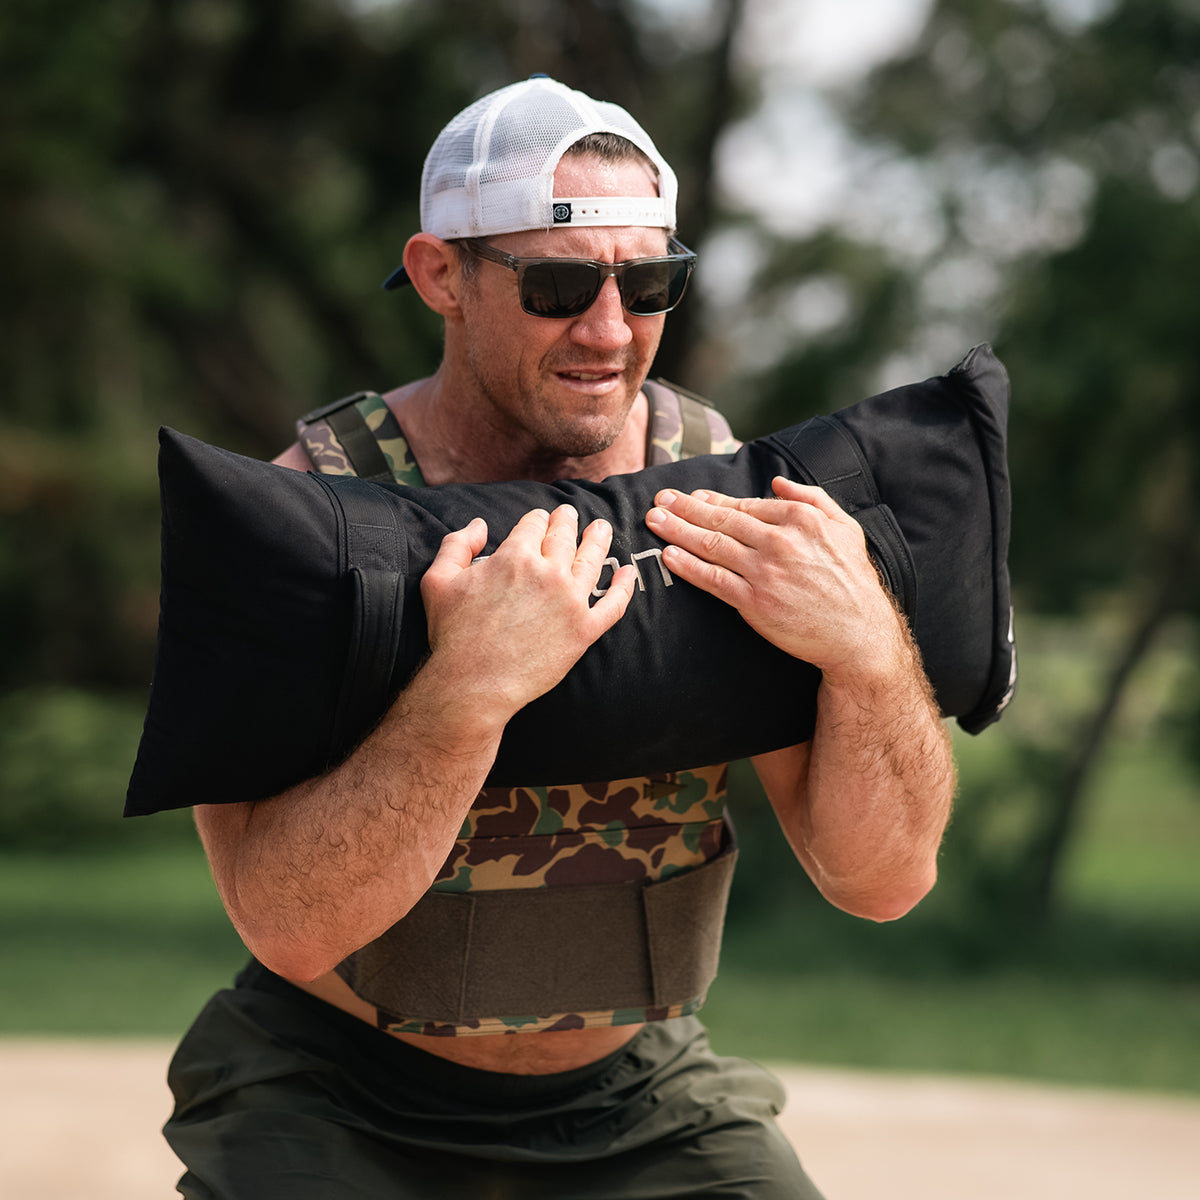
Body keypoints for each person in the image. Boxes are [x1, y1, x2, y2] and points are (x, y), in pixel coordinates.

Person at [162, 76, 956, 1199]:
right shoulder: (317, 511)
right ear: (441, 273)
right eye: (558, 283)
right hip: (337, 1095)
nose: (609, 328)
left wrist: (871, 651)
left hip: (639, 1093)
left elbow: (881, 882)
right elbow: (286, 922)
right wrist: (468, 690)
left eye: (649, 282)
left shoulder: (720, 490)